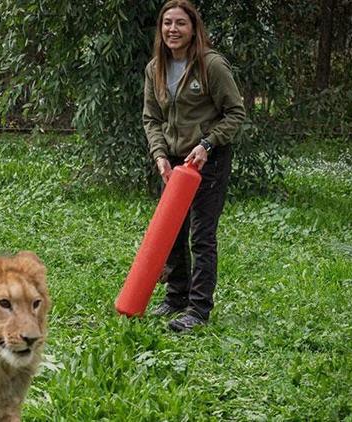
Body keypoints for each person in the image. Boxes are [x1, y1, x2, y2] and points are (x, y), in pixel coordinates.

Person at [142, 0, 245, 332]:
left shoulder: (211, 66)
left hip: (207, 160)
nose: (173, 29)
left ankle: (198, 310)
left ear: (193, 28)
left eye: (180, 23)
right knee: (170, 233)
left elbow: (235, 114)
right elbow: (152, 119)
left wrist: (207, 144)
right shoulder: (154, 68)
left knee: (201, 236)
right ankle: (176, 297)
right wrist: (160, 155)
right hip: (171, 162)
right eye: (167, 23)